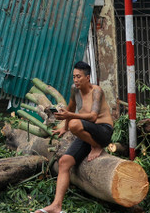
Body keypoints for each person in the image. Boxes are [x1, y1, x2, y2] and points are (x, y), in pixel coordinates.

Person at [31, 61, 113, 213]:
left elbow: (93, 117)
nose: (76, 80)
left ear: (87, 77)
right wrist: (64, 127)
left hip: (103, 131)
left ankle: (96, 146)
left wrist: (70, 117)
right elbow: (71, 107)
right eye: (74, 76)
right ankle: (56, 206)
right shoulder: (74, 89)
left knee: (75, 124)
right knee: (64, 162)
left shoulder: (97, 91)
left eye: (79, 77)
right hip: (86, 133)